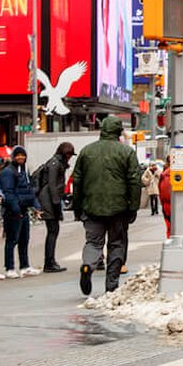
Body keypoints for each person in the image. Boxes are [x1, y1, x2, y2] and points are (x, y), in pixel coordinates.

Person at [70, 114, 143, 296]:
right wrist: (133, 207)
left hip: (91, 206)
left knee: (93, 242)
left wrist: (77, 207)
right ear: (118, 131)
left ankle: (88, 265)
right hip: (119, 207)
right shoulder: (126, 152)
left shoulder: (86, 151)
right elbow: (134, 181)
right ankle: (111, 284)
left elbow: (77, 181)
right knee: (116, 244)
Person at [32, 141, 75, 273]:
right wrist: (56, 204)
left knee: (53, 231)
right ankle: (49, 262)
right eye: (68, 154)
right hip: (49, 201)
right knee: (53, 231)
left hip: (49, 200)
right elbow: (52, 185)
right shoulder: (55, 164)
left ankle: (50, 261)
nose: (69, 157)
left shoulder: (55, 162)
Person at [0, 146, 37, 278]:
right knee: (12, 240)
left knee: (24, 239)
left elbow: (29, 190)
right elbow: (9, 193)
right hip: (13, 212)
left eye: (23, 155)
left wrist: (36, 206)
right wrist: (16, 209)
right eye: (18, 155)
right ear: (13, 157)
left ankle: (24, 266)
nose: (21, 157)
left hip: (23, 210)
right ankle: (10, 268)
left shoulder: (23, 171)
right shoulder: (8, 172)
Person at [158, 165, 175, 236]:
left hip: (166, 206)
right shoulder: (174, 175)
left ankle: (169, 240)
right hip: (176, 206)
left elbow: (162, 195)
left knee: (169, 227)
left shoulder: (163, 176)